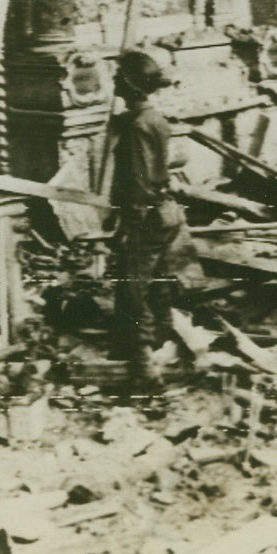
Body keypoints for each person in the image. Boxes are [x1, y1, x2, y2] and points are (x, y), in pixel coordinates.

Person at [107, 49, 190, 389]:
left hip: (147, 215)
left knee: (133, 289)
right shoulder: (153, 119)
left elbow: (140, 180)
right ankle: (168, 349)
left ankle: (144, 369)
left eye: (117, 76)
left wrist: (129, 225)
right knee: (159, 283)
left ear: (129, 84)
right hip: (165, 211)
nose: (112, 80)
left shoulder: (138, 125)